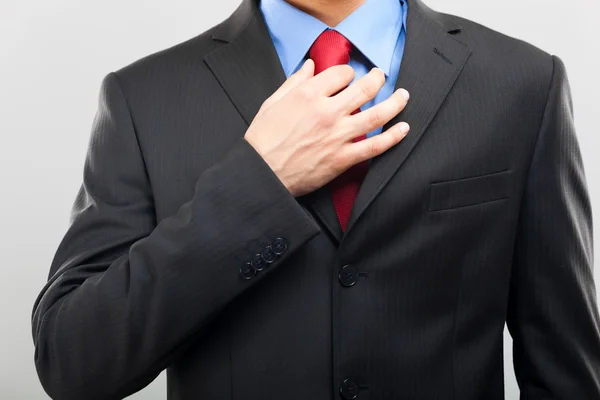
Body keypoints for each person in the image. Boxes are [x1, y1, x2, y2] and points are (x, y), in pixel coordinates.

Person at [31, 0, 600, 398]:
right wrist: (261, 182)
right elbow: (75, 363)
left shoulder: (523, 83)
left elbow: (567, 370)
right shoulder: (144, 97)